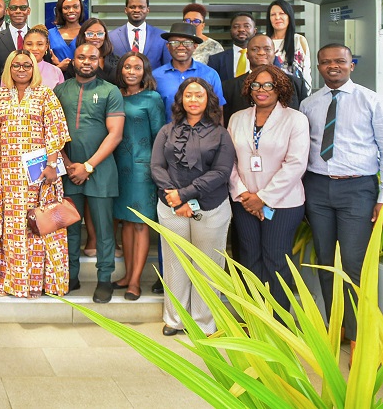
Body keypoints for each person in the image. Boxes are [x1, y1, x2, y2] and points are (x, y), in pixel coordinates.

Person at [299, 44, 383, 348]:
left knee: (354, 262)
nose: (332, 66)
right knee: (325, 260)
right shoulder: (309, 104)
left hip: (357, 189)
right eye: (325, 62)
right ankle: (338, 329)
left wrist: (381, 197)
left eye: (339, 61)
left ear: (351, 64)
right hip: (318, 187)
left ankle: (360, 332)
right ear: (319, 67)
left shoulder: (371, 101)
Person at [0, 50, 71, 297]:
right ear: (9, 69)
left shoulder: (46, 95)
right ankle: (11, 282)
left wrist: (52, 165)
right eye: (16, 65)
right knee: (10, 228)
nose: (21, 70)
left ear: (34, 69)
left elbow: (55, 132)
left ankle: (41, 284)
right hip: (7, 173)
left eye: (27, 66)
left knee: (38, 225)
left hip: (39, 173)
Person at [151, 78, 235, 336]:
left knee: (207, 265)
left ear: (208, 99)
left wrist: (186, 195)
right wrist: (174, 198)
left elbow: (221, 172)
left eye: (199, 95)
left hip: (211, 207)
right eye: (188, 95)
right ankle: (174, 319)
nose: (194, 100)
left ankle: (204, 322)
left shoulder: (221, 133)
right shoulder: (167, 130)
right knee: (176, 263)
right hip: (171, 207)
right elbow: (156, 167)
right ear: (181, 100)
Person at [227, 65, 308, 313]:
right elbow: (228, 160)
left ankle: (279, 322)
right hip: (244, 202)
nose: (261, 90)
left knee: (276, 260)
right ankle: (255, 320)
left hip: (282, 204)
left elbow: (296, 164)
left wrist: (262, 198)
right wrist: (243, 194)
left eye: (268, 85)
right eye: (256, 85)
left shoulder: (296, 119)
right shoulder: (237, 118)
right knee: (249, 260)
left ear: (280, 88)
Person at [55, 44, 125, 302]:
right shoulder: (61, 90)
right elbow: (53, 131)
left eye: (92, 57)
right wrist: (67, 162)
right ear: (73, 60)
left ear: (100, 61)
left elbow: (115, 134)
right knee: (70, 228)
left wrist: (88, 166)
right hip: (68, 170)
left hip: (101, 171)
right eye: (81, 57)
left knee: (104, 229)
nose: (86, 61)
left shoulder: (110, 91)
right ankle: (70, 276)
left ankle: (104, 279)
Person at [112, 51, 166, 301]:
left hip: (142, 168)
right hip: (116, 167)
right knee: (124, 221)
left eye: (136, 67)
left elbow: (159, 137)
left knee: (140, 224)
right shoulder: (114, 95)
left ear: (144, 72)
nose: (131, 71)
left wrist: (158, 170)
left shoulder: (152, 98)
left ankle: (135, 281)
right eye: (126, 67)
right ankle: (126, 275)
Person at [222, 34, 305, 123]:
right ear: (247, 54)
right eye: (255, 49)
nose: (261, 52)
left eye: (267, 49)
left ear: (275, 52)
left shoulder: (295, 83)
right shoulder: (229, 87)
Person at [152, 22, 225, 120]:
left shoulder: (210, 74)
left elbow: (218, 110)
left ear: (195, 46)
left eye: (187, 43)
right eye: (174, 42)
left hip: (203, 133)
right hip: (168, 134)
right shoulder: (156, 76)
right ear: (168, 46)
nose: (181, 47)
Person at [108, 0, 171, 69]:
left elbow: (167, 67)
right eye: (132, 7)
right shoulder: (112, 37)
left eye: (141, 7)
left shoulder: (161, 37)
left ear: (147, 10)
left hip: (152, 80)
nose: (137, 10)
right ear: (126, 10)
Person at [0, 0, 31, 91]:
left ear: (28, 11)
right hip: (5, 95)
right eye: (14, 8)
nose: (18, 11)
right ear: (7, 11)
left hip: (34, 94)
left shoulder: (38, 38)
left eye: (23, 8)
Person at [267, 0, 312, 93]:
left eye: (282, 13)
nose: (277, 17)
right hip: (268, 93)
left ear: (289, 16)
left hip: (294, 94)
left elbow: (306, 73)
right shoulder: (264, 40)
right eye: (273, 15)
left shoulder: (299, 40)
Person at [64, 18, 119, 82]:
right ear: (83, 36)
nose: (95, 37)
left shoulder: (116, 60)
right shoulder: (75, 63)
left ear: (105, 36)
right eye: (90, 34)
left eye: (100, 34)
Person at [208, 12, 256, 83]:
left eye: (246, 26)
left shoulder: (263, 57)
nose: (241, 29)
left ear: (254, 31)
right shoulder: (216, 60)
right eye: (236, 26)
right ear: (230, 31)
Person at [47, 0, 84, 72]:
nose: (71, 11)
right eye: (66, 8)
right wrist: (59, 67)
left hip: (83, 80)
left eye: (75, 7)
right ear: (60, 11)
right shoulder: (50, 34)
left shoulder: (87, 33)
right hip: (57, 80)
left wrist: (71, 66)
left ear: (81, 9)